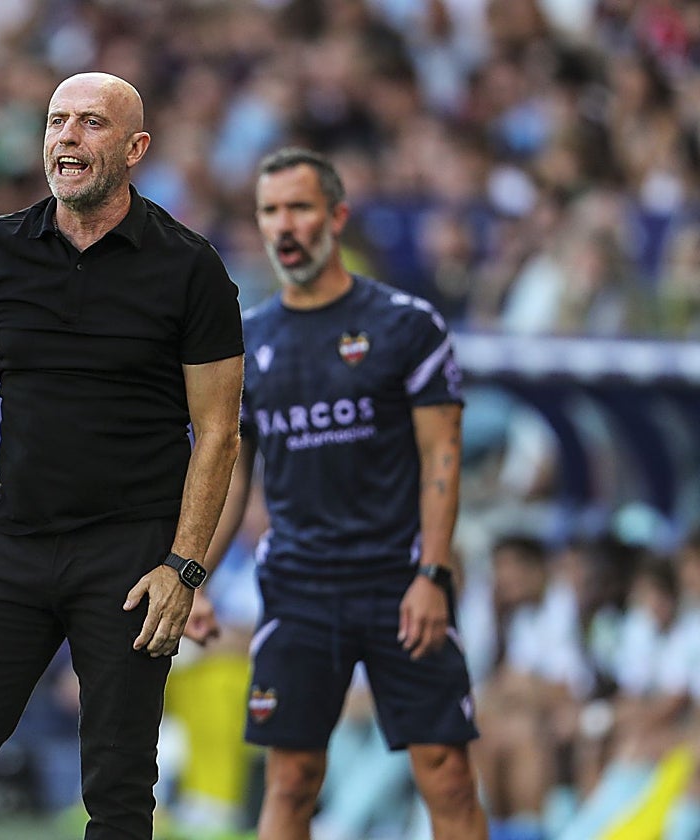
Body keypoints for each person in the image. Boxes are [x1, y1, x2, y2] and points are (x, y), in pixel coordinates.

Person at [0, 71, 244, 839]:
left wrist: (185, 568)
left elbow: (219, 433)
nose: (68, 138)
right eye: (58, 121)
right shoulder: (0, 248)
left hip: (129, 559)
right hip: (12, 543)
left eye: (92, 124)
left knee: (119, 791)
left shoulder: (190, 267)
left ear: (135, 148)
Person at [186, 147, 488, 839]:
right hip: (299, 588)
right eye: (270, 211)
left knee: (445, 770)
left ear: (337, 217)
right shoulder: (246, 340)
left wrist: (433, 574)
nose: (284, 225)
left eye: (299, 208)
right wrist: (193, 574)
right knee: (291, 780)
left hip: (398, 582)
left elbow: (444, 453)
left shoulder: (408, 326)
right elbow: (232, 466)